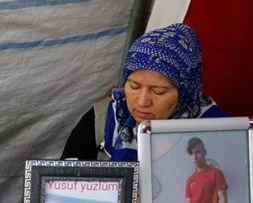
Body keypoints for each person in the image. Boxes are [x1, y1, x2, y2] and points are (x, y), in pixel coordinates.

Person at [61, 23, 227, 162]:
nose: (142, 101)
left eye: (158, 91)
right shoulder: (102, 120)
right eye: (134, 86)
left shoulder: (218, 132)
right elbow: (63, 182)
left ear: (186, 93)